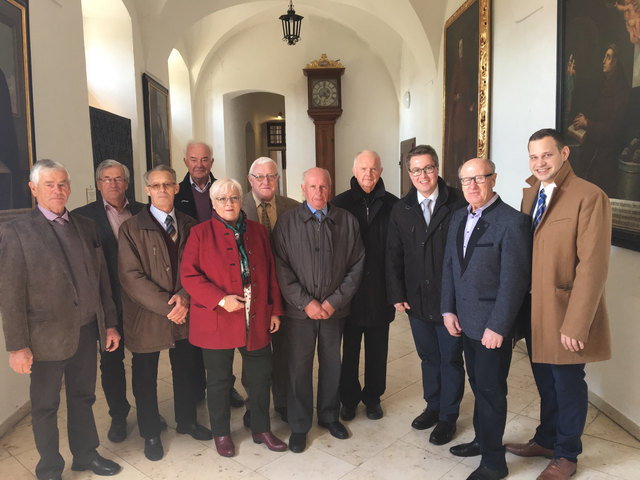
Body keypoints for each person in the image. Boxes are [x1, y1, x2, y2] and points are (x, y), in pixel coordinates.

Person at [0, 159, 122, 480]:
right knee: (45, 406)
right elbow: (10, 294)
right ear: (33, 189)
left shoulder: (85, 225)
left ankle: (85, 454)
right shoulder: (16, 231)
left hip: (85, 331)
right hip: (44, 338)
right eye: (50, 185)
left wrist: (108, 323)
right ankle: (50, 468)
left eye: (63, 183)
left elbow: (101, 281)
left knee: (83, 396)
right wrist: (17, 346)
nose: (58, 190)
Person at [505, 128, 612, 480]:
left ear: (564, 154)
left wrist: (576, 324)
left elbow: (593, 266)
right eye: (533, 156)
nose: (539, 163)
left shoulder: (589, 196)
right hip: (535, 312)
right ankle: (547, 439)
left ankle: (567, 454)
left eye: (546, 155)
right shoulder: (531, 194)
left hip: (566, 313)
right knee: (545, 382)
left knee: (567, 384)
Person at [181, 178, 287, 458]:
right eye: (222, 199)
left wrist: (275, 309)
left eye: (234, 198)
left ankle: (261, 428)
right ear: (213, 204)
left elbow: (271, 272)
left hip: (257, 316)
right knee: (218, 381)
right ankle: (222, 433)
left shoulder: (257, 231)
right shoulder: (199, 233)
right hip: (218, 317)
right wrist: (220, 298)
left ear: (242, 200)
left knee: (261, 375)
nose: (229, 203)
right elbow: (189, 276)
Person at [441, 158, 531, 480]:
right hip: (465, 322)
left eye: (479, 178)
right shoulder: (457, 217)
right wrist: (447, 309)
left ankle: (495, 463)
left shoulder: (513, 222)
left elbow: (514, 281)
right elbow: (451, 267)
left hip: (492, 327)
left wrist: (499, 326)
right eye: (465, 180)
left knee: (492, 392)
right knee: (478, 386)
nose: (472, 186)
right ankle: (482, 440)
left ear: (493, 178)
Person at [118, 164, 212, 462]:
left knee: (186, 370)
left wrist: (184, 297)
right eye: (155, 185)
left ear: (176, 188)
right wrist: (169, 305)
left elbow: (199, 267)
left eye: (167, 184)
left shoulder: (190, 223)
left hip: (185, 312)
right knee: (145, 376)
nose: (162, 190)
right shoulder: (131, 228)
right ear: (146, 190)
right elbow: (131, 277)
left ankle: (187, 421)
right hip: (147, 316)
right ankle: (150, 433)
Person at [272, 167, 365, 453]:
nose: (318, 192)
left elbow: (356, 265)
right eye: (312, 187)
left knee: (331, 365)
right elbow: (281, 268)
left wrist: (332, 302)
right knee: (298, 368)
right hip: (299, 313)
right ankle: (300, 425)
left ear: (330, 188)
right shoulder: (287, 223)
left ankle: (328, 415)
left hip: (333, 312)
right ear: (303, 189)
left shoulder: (346, 222)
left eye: (323, 187)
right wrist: (307, 302)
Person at [386, 145, 466, 446]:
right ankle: (433, 406)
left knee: (450, 360)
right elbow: (392, 255)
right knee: (428, 357)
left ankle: (448, 417)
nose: (423, 175)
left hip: (450, 302)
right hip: (417, 300)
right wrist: (397, 293)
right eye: (416, 170)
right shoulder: (402, 208)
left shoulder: (458, 202)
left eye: (428, 168)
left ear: (437, 168)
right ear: (409, 174)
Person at [73, 159, 145, 443]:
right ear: (98, 184)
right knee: (112, 362)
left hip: (140, 301)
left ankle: (147, 411)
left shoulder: (142, 211)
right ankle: (119, 414)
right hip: (106, 301)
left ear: (127, 183)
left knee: (144, 360)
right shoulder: (82, 217)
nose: (113, 184)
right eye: (107, 179)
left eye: (118, 179)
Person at [174, 140, 244, 408]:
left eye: (204, 159)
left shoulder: (224, 189)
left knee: (226, 338)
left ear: (211, 162)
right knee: (200, 343)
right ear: (186, 162)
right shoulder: (177, 192)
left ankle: (227, 388)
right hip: (193, 267)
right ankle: (201, 390)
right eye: (194, 159)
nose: (199, 164)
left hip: (223, 270)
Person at [331, 150, 398, 421]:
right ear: (354, 171)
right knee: (349, 351)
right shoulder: (339, 204)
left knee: (377, 350)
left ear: (381, 171)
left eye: (373, 169)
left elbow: (398, 253)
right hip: (349, 293)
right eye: (362, 169)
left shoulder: (395, 205)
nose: (368, 174)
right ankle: (348, 399)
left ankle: (373, 397)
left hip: (381, 292)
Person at [242, 156, 299, 423]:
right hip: (251, 295)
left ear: (278, 179)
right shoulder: (234, 205)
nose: (266, 181)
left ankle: (284, 401)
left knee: (285, 351)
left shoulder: (294, 208)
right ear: (250, 179)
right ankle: (254, 405)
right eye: (260, 177)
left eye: (272, 176)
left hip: (287, 293)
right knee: (253, 353)